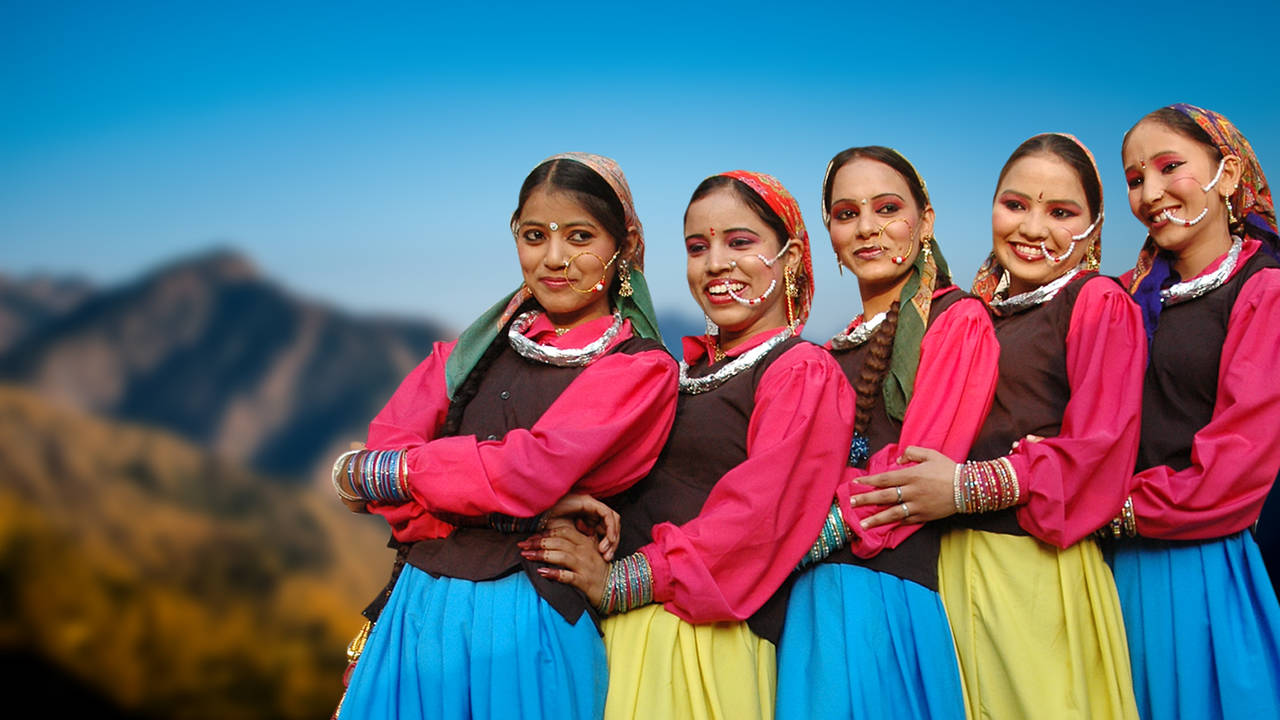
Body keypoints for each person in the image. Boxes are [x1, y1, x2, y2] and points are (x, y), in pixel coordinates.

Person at [332, 152, 679, 720]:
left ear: (625, 244)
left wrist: (403, 476)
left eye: (580, 236)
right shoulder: (467, 355)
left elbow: (527, 471)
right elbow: (383, 459)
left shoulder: (639, 370)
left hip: (527, 621)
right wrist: (501, 504)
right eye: (534, 235)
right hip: (415, 611)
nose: (555, 258)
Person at [524, 170, 854, 720]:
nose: (715, 263)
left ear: (791, 256)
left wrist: (621, 582)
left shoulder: (800, 371)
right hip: (612, 634)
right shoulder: (676, 373)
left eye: (740, 242)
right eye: (698, 247)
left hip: (698, 646)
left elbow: (756, 521)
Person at [850, 134, 1145, 718]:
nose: (1033, 228)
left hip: (1033, 572)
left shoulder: (1098, 304)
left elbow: (1098, 453)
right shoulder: (969, 316)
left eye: (1061, 213)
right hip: (948, 569)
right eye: (1015, 205)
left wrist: (963, 486)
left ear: (1095, 225)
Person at [774, 146, 998, 719]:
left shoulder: (958, 320)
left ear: (925, 221)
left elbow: (915, 473)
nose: (867, 227)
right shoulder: (827, 350)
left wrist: (799, 537)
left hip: (883, 591)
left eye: (887, 208)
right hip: (810, 601)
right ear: (829, 232)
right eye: (847, 213)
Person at [1110, 103, 1280, 719]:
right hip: (1105, 571)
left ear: (1229, 174)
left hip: (1200, 568)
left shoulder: (1265, 291)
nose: (1151, 193)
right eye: (1134, 180)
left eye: (1169, 167)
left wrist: (1109, 507)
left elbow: (1234, 470)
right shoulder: (1122, 300)